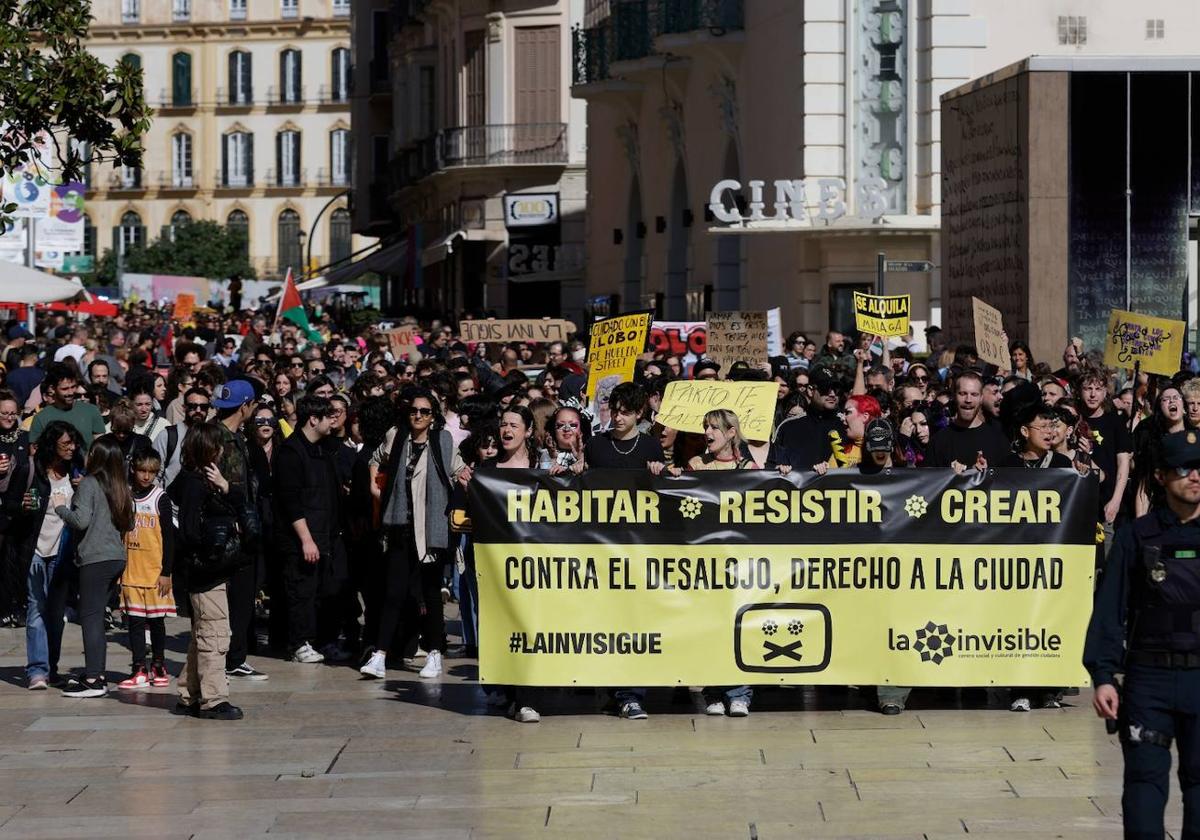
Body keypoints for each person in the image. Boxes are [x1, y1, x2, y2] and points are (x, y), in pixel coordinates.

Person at [1085, 429, 1200, 838]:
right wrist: (1102, 675)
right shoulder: (1139, 536)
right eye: (1185, 468)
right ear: (1161, 476)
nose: (1195, 477)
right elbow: (1110, 608)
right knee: (1144, 788)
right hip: (1149, 681)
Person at [360, 389, 460, 681]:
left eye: (425, 411)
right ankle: (380, 655)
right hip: (400, 527)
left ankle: (434, 654)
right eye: (414, 410)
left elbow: (456, 470)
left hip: (431, 530)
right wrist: (374, 487)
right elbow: (374, 459)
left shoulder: (442, 440)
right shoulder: (396, 436)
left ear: (433, 416)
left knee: (430, 592)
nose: (418, 416)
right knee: (393, 592)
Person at [168, 422, 245, 720]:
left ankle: (189, 694)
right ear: (209, 449)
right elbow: (188, 532)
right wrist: (216, 543)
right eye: (218, 445)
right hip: (205, 572)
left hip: (198, 572)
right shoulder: (196, 485)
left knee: (200, 634)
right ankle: (214, 699)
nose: (223, 449)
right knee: (214, 633)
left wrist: (225, 486)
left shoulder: (193, 479)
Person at [3, 421, 83, 689]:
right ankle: (37, 670)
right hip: (34, 550)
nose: (71, 448)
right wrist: (23, 505)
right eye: (65, 443)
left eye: (73, 443)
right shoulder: (30, 471)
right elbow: (9, 505)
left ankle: (52, 667)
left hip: (63, 552)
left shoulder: (76, 472)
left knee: (56, 611)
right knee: (37, 608)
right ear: (52, 445)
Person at [54, 437, 135, 698]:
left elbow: (80, 521)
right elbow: (129, 524)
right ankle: (96, 673)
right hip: (116, 558)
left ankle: (93, 678)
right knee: (97, 617)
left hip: (95, 558)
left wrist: (60, 508)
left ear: (97, 457)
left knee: (89, 618)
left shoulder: (89, 483)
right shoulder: (121, 486)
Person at [273, 395, 340, 664]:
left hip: (324, 534)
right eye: (327, 416)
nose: (333, 420)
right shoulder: (290, 452)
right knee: (300, 592)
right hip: (301, 539)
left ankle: (319, 639)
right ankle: (299, 642)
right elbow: (290, 501)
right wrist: (306, 539)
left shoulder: (323, 449)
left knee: (320, 592)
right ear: (313, 419)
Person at [212, 381, 269, 682]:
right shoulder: (216, 438)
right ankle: (229, 656)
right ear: (246, 405)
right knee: (227, 597)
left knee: (243, 596)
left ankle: (235, 656)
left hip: (243, 527)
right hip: (227, 530)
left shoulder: (237, 438)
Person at [116, 450, 176, 690]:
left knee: (157, 622)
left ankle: (159, 665)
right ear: (134, 470)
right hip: (131, 571)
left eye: (152, 472)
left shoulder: (160, 498)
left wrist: (166, 572)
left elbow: (170, 539)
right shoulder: (127, 497)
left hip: (154, 573)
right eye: (143, 471)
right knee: (135, 622)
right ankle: (138, 667)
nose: (146, 476)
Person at [924, 371, 1010, 472]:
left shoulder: (999, 439)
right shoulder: (938, 442)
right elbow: (928, 483)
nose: (968, 400)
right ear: (954, 396)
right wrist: (949, 475)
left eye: (974, 394)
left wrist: (988, 474)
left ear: (981, 398)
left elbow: (1009, 482)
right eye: (963, 393)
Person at [28, 363, 106, 451]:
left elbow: (101, 447)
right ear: (53, 389)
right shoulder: (41, 418)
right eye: (64, 389)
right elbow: (34, 452)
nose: (70, 392)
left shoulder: (91, 410)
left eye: (73, 387)